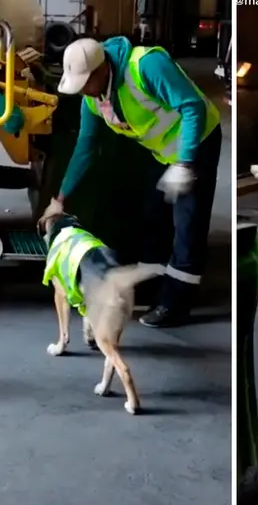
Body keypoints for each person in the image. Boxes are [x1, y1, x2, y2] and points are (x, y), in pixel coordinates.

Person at [48, 36, 222, 328]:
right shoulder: (93, 99)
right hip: (163, 153)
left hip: (198, 142)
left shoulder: (146, 66)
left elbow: (193, 107)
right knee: (154, 217)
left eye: (84, 84)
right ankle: (155, 287)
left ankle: (176, 304)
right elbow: (85, 147)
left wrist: (185, 162)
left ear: (101, 70)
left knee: (188, 224)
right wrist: (61, 197)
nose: (82, 93)